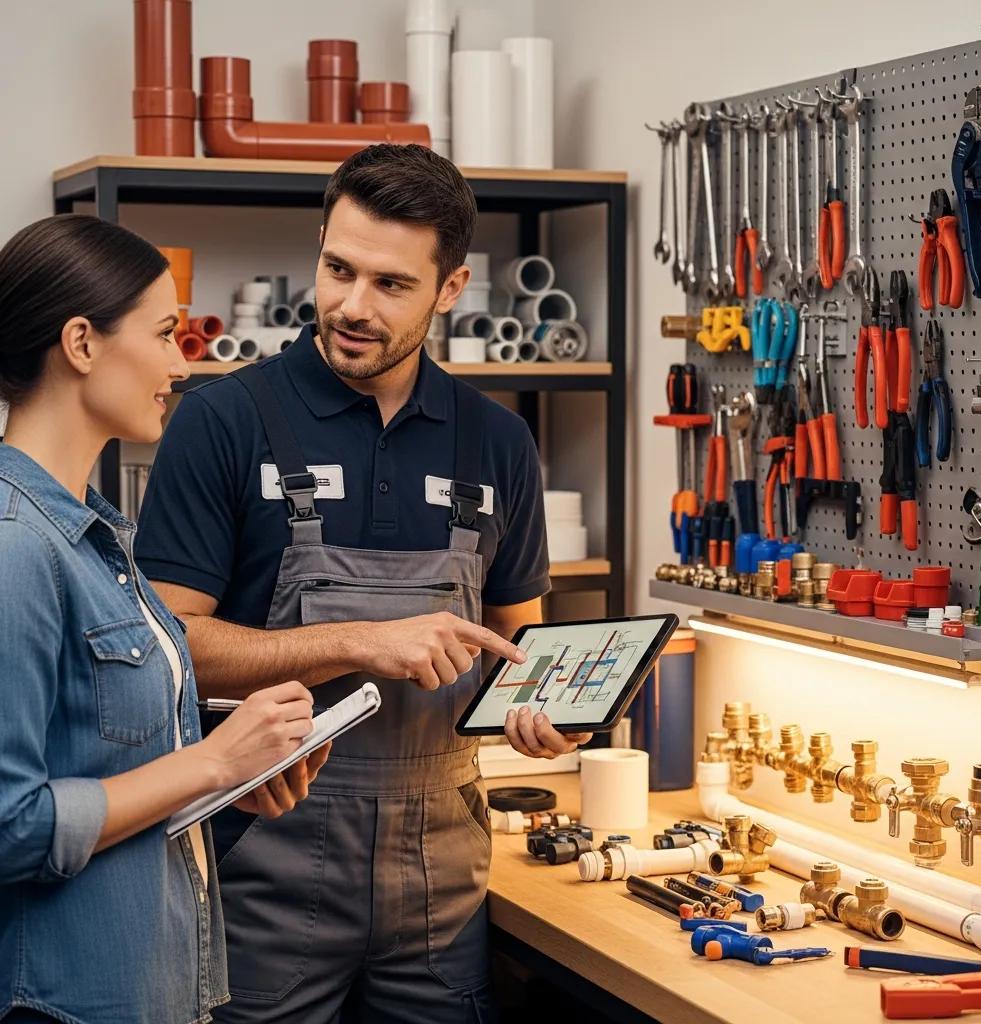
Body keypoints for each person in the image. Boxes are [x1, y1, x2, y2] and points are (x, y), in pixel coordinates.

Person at [136, 143, 592, 1023]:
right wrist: (358, 642)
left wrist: (539, 713)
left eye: (390, 284)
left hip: (441, 886)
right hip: (260, 864)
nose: (350, 306)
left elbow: (515, 652)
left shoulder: (497, 444)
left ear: (450, 289)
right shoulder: (224, 420)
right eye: (337, 268)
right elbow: (169, 647)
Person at [0, 215, 332, 1024]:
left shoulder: (97, 537)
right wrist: (212, 764)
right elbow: (10, 825)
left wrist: (233, 775)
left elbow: (102, 759)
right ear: (81, 343)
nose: (182, 365)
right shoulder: (17, 549)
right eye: (163, 333)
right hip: (67, 1004)